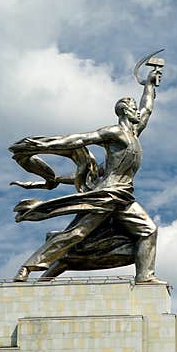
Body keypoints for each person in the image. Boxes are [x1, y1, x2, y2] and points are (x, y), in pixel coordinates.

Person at [9, 67, 162, 283]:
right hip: (106, 194)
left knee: (148, 230)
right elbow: (79, 139)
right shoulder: (114, 132)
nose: (138, 112)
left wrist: (149, 85)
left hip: (124, 197)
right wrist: (43, 144)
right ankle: (27, 268)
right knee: (77, 234)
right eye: (133, 108)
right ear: (124, 111)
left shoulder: (134, 133)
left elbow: (147, 109)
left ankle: (145, 277)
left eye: (137, 108)